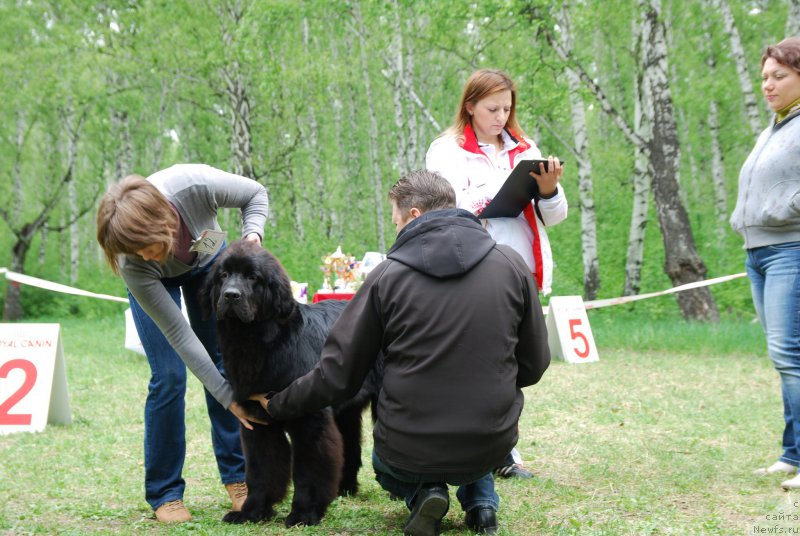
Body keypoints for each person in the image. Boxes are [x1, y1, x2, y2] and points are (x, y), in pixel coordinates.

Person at [254, 170, 551, 536]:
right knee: (474, 433)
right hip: (493, 440)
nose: (395, 228)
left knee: (389, 459)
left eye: (395, 219)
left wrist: (278, 404)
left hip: (409, 448)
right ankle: (482, 505)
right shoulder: (511, 264)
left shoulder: (386, 276)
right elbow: (535, 365)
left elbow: (338, 375)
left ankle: (425, 490)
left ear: (413, 215)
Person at [96, 164, 268, 522]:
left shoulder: (194, 185)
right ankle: (165, 493)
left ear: (161, 223)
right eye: (133, 251)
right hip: (156, 285)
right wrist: (229, 398)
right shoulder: (135, 263)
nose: (142, 255)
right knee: (169, 377)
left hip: (208, 265)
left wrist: (253, 235)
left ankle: (239, 478)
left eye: (145, 247)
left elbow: (255, 193)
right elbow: (180, 336)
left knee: (222, 362)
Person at [426, 68, 567, 479]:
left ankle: (506, 448)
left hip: (518, 265)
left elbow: (554, 217)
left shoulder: (526, 148)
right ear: (469, 106)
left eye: (507, 108)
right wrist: (498, 192)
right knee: (475, 356)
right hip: (469, 265)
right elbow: (443, 207)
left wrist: (549, 190)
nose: (501, 116)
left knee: (513, 358)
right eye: (492, 108)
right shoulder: (445, 150)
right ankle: (477, 448)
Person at [729, 37, 800, 490]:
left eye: (779, 76)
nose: (768, 86)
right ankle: (792, 453)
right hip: (758, 253)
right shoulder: (774, 127)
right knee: (785, 358)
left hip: (789, 249)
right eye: (764, 78)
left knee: (790, 355)